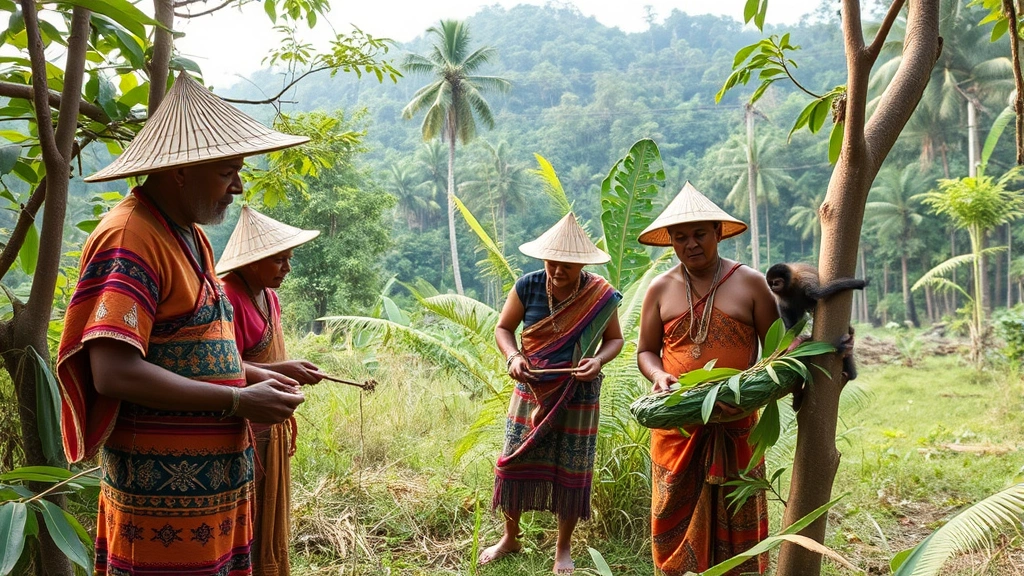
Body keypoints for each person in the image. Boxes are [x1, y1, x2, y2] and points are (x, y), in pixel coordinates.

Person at [57, 72, 308, 576]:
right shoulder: (132, 237)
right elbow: (114, 372)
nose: (238, 186)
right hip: (160, 504)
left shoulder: (188, 234)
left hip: (209, 498)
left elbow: (186, 351)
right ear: (180, 170)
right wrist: (237, 399)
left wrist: (261, 374)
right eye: (226, 171)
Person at [635, 182, 777, 576]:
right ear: (671, 243)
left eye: (699, 234)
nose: (690, 244)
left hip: (737, 426)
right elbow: (645, 351)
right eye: (680, 237)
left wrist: (750, 395)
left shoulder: (750, 283)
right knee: (671, 524)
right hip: (677, 430)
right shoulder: (660, 289)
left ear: (718, 231)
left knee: (739, 526)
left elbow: (777, 351)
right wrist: (660, 375)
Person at [480, 213, 624, 574]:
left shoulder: (600, 295)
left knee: (571, 469)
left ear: (583, 262)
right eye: (552, 261)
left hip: (579, 394)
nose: (559, 270)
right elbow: (503, 328)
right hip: (531, 387)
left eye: (569, 264)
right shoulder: (527, 285)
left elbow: (616, 340)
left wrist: (598, 361)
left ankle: (563, 549)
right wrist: (513, 356)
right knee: (514, 461)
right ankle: (509, 537)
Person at [216, 205, 327, 576]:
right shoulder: (227, 298)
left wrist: (291, 368)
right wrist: (283, 369)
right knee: (248, 518)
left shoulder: (269, 295)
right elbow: (223, 366)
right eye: (278, 260)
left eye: (288, 259)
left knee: (271, 514)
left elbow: (259, 360)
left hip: (272, 428)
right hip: (243, 430)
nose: (287, 268)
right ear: (251, 262)